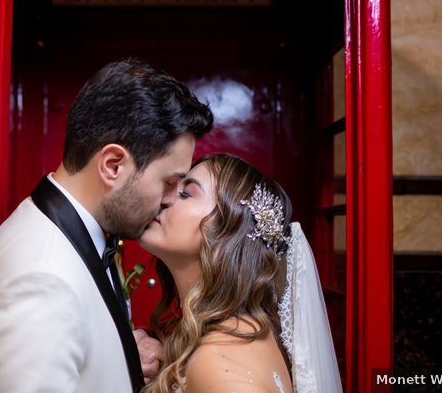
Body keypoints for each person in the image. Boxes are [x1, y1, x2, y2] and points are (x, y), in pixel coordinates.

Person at [0, 59, 214, 393]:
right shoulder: (41, 282)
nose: (170, 199)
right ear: (113, 166)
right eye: (169, 181)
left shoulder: (67, 235)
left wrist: (117, 359)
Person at [139, 153, 342, 393]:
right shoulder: (242, 332)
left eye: (186, 193)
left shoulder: (215, 365)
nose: (164, 196)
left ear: (227, 236)